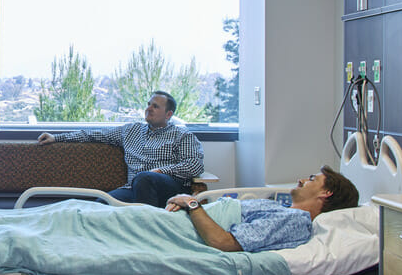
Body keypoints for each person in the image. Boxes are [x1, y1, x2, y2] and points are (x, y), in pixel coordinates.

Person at [37, 90, 204, 207]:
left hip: (167, 188)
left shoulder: (181, 134)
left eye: (155, 106)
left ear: (168, 114)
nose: (149, 109)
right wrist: (57, 137)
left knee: (145, 178)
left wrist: (161, 171)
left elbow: (195, 165)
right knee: (101, 205)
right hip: (133, 188)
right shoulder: (130, 130)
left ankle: (150, 229)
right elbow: (93, 135)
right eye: (149, 104)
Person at [165, 166, 359, 252]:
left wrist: (192, 204)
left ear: (326, 192)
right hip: (178, 220)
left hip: (181, 228)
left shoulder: (295, 220)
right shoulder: (285, 211)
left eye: (312, 179)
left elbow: (222, 242)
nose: (302, 180)